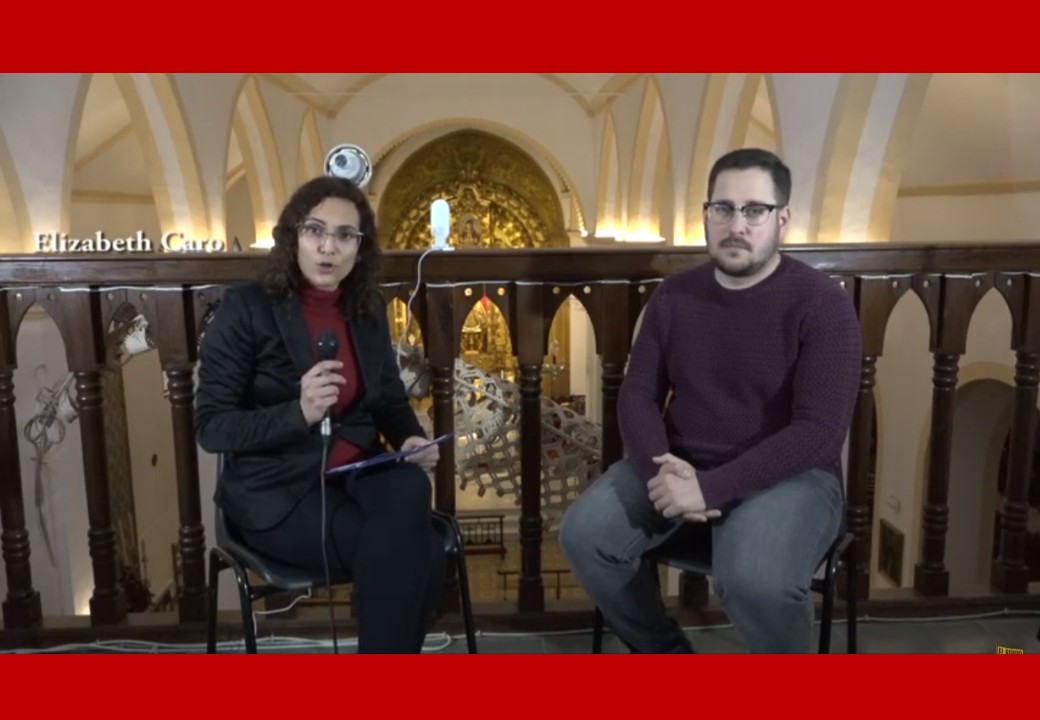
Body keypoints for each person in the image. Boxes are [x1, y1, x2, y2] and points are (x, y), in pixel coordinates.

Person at [559, 148, 862, 653]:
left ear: (782, 219)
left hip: (790, 479)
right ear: (706, 214)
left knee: (754, 581)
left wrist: (711, 488)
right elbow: (637, 393)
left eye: (754, 210)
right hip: (679, 465)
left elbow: (818, 434)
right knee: (584, 535)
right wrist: (661, 471)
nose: (735, 225)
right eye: (722, 208)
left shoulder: (822, 304)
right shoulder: (674, 296)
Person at [194, 175, 446, 654]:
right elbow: (212, 428)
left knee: (412, 486)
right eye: (315, 230)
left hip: (356, 469)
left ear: (360, 247)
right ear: (293, 235)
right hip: (278, 492)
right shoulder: (246, 308)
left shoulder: (366, 307)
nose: (329, 247)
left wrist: (410, 439)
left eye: (345, 235)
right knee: (424, 551)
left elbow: (389, 400)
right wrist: (300, 412)